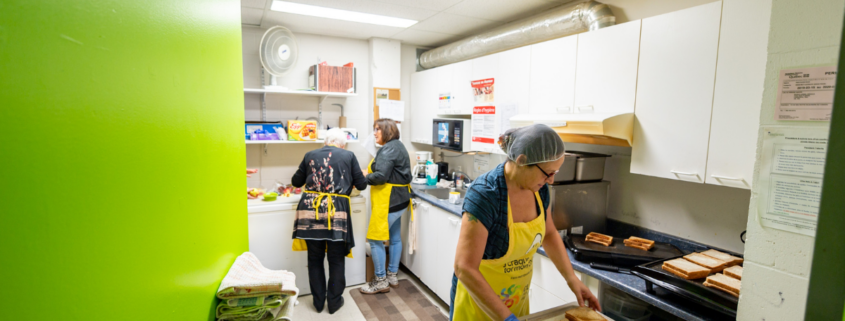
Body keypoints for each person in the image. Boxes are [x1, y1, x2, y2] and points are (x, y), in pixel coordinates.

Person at [450, 124, 601, 321]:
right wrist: (507, 319)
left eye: (555, 172)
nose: (551, 180)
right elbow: (464, 267)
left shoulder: (539, 190)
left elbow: (548, 233)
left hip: (515, 305)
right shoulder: (486, 195)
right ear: (521, 161)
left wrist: (572, 279)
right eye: (548, 173)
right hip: (477, 308)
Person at [291, 129, 367, 314]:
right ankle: (334, 302)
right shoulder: (348, 155)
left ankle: (318, 303)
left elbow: (295, 181)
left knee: (315, 258)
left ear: (326, 142)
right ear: (342, 144)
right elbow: (362, 184)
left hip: (310, 210)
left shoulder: (310, 155)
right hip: (336, 212)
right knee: (336, 258)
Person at [359, 119, 413, 294]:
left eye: (377, 130)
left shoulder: (388, 149)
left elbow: (381, 176)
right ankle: (392, 275)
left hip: (389, 201)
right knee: (395, 237)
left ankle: (381, 280)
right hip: (400, 200)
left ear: (388, 131)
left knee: (375, 239)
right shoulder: (398, 146)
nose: (374, 133)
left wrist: (362, 179)